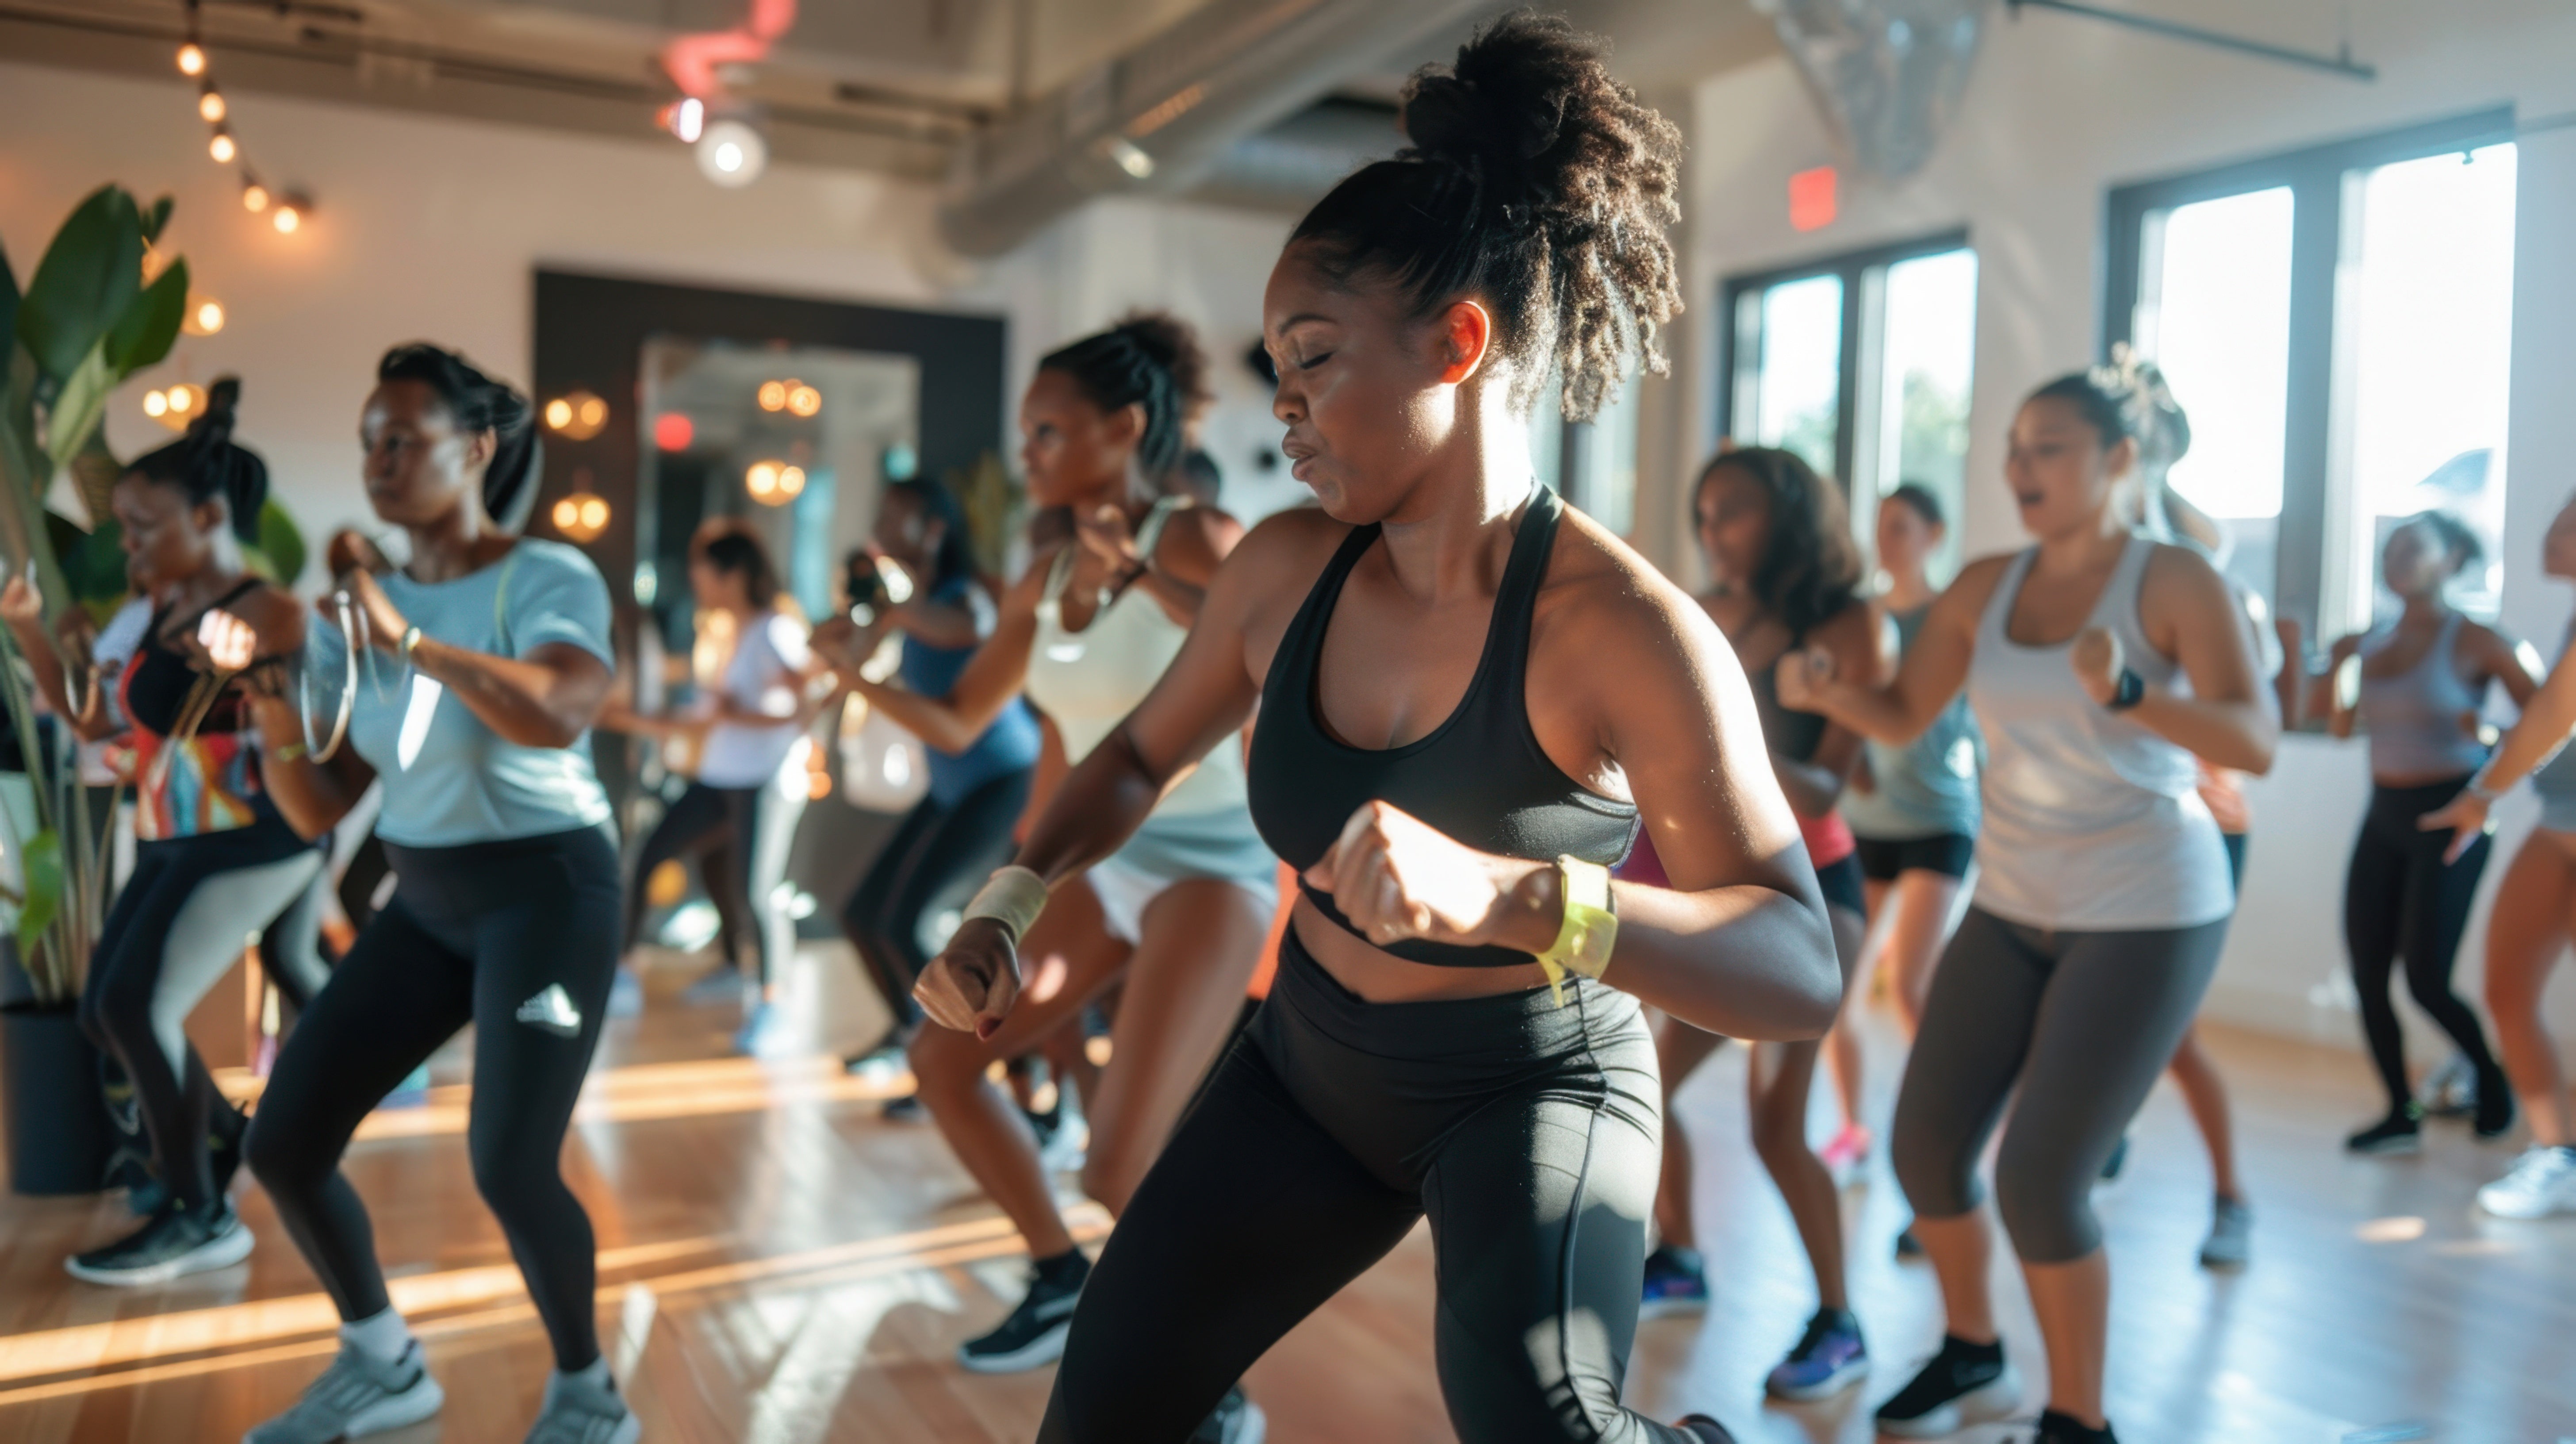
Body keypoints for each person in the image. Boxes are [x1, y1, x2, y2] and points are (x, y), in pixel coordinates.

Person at [916, 18, 1841, 1442]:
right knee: (1099, 1415)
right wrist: (1010, 899)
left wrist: (1518, 895)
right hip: (1305, 1068)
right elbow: (1137, 755)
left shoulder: (1620, 629)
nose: (1285, 412)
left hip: (1534, 1085)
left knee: (1541, 1424)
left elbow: (1797, 965)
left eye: (1315, 362)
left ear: (1458, 343)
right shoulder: (1283, 571)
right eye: (1277, 376)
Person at [1779, 364, 2277, 1444]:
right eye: (2013, 448)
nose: (2021, 467)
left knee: (2042, 1180)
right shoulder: (1984, 587)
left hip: (2148, 906)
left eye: (2049, 447)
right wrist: (1828, 691)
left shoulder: (2173, 581)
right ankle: (1973, 1354)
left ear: (2118, 460)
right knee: (1923, 1151)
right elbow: (1903, 713)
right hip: (2011, 898)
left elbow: (2255, 739)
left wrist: (2130, 692)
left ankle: (2077, 1421)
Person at [806, 314, 1278, 1405]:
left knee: (1118, 1162)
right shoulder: (1043, 573)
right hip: (1102, 866)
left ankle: (1216, 1389)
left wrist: (1146, 577)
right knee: (941, 1063)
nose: (1027, 453)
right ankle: (1060, 1275)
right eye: (1027, 434)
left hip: (1213, 867)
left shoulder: (1200, 536)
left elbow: (1265, 655)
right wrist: (855, 675)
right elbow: (961, 720)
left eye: (1047, 432)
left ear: (1124, 429)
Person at [230, 342, 636, 1444]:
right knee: (283, 1141)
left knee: (510, 1163)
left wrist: (411, 639)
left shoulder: (541, 576)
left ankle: (589, 1391)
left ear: (477, 449)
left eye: (404, 439)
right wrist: (273, 702)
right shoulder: (353, 612)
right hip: (425, 901)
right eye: (370, 442)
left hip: (548, 894)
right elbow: (322, 806)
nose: (380, 460)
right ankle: (383, 1360)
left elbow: (560, 710)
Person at [3, 378, 323, 1286]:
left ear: (209, 515)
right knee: (106, 1012)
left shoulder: (269, 611)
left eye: (143, 527)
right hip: (172, 833)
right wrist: (31, 630)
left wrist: (207, 667)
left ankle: (202, 1211)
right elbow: (97, 723)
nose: (129, 545)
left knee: (137, 1008)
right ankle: (218, 1150)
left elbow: (274, 729)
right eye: (126, 528)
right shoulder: (160, 610)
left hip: (252, 836)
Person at [1640, 446, 1883, 1402]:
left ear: (1785, 516)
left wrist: (1721, 729)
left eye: (1731, 511)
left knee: (1776, 1123)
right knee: (1644, 1086)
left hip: (1815, 890)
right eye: (1703, 515)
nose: (1712, 532)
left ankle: (1839, 1321)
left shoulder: (1847, 623)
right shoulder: (1701, 608)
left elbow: (1825, 787)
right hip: (1717, 887)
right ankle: (1680, 1256)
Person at [2300, 508, 2530, 1152]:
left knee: (2426, 981)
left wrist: (2487, 733)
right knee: (2368, 976)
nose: (2395, 559)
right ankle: (2400, 1112)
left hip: (2451, 817)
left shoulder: (2479, 640)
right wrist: (2337, 667)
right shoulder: (2369, 642)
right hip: (2384, 817)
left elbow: (2550, 722)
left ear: (2451, 559)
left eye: (2412, 548)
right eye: (2389, 549)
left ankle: (2490, 1078)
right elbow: (2337, 728)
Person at [834, 480, 1042, 1073]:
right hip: (951, 787)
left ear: (933, 530)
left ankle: (967, 1063)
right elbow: (854, 657)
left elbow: (967, 629)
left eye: (894, 517)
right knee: (862, 914)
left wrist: (896, 614)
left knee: (903, 923)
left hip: (1001, 779)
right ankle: (911, 1038)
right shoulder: (910, 604)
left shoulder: (963, 596)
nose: (880, 528)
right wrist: (850, 636)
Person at [2420, 490, 2576, 1217]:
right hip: (2556, 822)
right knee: (2507, 992)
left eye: (2572, 524)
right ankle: (2558, 1153)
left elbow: (2558, 710)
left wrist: (2480, 794)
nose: (2553, 532)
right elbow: (2552, 717)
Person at [604, 520, 818, 1036]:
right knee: (661, 857)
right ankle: (665, 971)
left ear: (733, 575)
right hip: (722, 775)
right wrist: (622, 719)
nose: (697, 587)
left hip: (764, 781)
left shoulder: (775, 629)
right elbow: (707, 718)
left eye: (703, 576)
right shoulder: (732, 634)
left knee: (757, 892)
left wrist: (737, 715)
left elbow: (807, 706)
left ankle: (774, 1003)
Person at [1837, 484, 1978, 1106]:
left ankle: (1945, 1119)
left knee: (1906, 987)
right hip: (1866, 822)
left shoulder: (1954, 621)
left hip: (1939, 821)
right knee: (1841, 989)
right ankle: (1852, 1130)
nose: (1885, 539)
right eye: (1880, 526)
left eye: (1900, 526)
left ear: (1934, 536)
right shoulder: (1859, 619)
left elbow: (1982, 727)